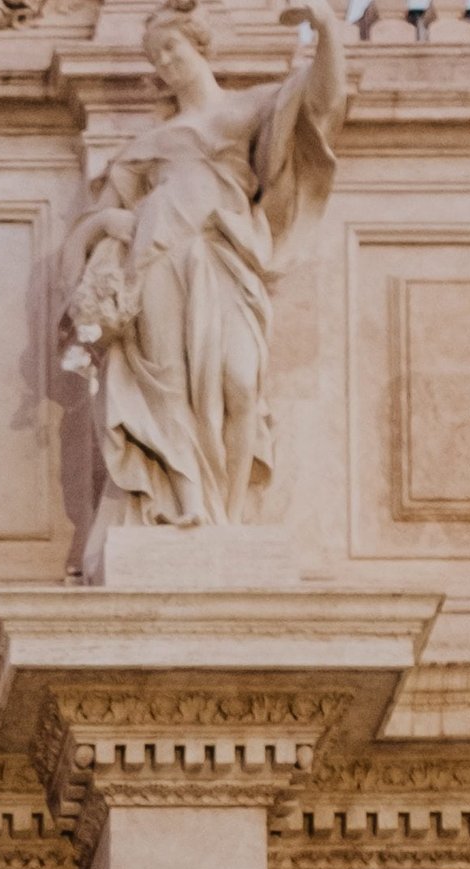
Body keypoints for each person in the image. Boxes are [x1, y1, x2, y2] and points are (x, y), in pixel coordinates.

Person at [59, 0, 345, 531]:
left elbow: (325, 103)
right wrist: (108, 227)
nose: (166, 62)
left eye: (172, 47)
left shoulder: (251, 109)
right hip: (160, 260)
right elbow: (96, 222)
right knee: (166, 382)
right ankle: (191, 500)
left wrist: (326, 27)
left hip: (225, 256)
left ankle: (228, 515)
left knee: (239, 381)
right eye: (156, 56)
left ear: (199, 45)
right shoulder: (146, 146)